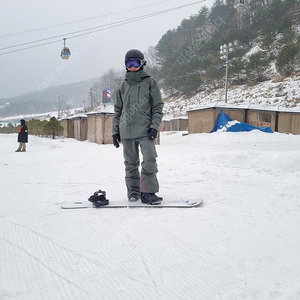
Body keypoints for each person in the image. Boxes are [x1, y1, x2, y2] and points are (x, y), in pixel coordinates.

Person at [112, 49, 164, 205]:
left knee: (149, 160)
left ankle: (148, 192)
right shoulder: (122, 86)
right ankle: (133, 191)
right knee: (130, 163)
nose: (132, 66)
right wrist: (115, 131)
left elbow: (157, 106)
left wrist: (155, 126)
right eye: (129, 63)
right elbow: (117, 111)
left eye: (136, 63)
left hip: (145, 130)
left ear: (142, 64)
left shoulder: (150, 83)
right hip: (126, 131)